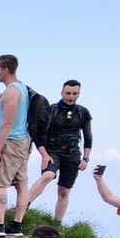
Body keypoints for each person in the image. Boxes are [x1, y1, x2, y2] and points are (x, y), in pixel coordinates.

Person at [23, 80, 93, 224]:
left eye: (75, 94)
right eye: (68, 93)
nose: (71, 97)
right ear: (62, 93)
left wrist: (85, 159)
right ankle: (24, 205)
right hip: (52, 150)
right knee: (48, 175)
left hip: (73, 153)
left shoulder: (83, 112)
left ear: (79, 94)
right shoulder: (52, 109)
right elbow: (38, 134)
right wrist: (44, 154)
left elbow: (88, 137)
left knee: (64, 191)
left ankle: (56, 224)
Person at [0, 55, 33, 236]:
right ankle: (17, 225)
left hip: (11, 141)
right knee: (21, 183)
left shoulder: (11, 91)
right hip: (24, 141)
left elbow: (7, 122)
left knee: (1, 183)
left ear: (6, 69)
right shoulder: (23, 88)